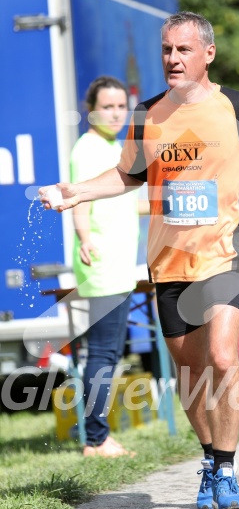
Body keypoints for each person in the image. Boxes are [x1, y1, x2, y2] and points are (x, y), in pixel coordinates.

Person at [40, 11, 239, 509]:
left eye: (183, 50)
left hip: (230, 251)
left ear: (208, 54)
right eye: (166, 50)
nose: (172, 59)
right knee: (189, 369)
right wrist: (77, 193)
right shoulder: (147, 113)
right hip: (169, 261)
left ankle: (225, 470)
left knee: (222, 357)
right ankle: (209, 458)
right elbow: (128, 175)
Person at [71, 76, 139, 458]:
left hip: (117, 264)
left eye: (120, 106)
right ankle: (96, 439)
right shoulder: (88, 148)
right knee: (102, 353)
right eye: (107, 106)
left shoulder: (112, 145)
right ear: (90, 109)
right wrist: (84, 238)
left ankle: (97, 437)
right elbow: (78, 195)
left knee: (109, 353)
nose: (115, 113)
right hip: (100, 263)